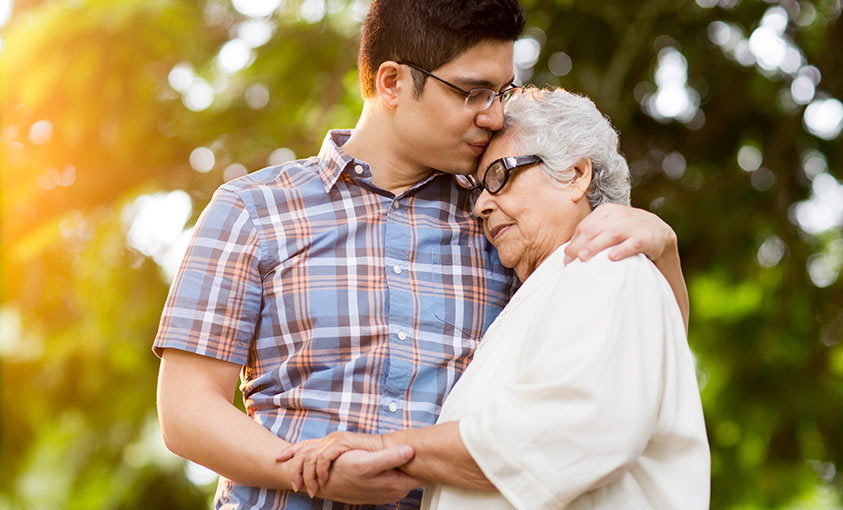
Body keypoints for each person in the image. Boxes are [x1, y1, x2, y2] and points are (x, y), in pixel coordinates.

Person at [153, 1, 690, 509]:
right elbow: (186, 408)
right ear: (392, 82)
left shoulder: (505, 216)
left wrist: (663, 252)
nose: (494, 116)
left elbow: (625, 362)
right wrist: (305, 469)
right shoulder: (253, 210)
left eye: (502, 92)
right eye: (474, 92)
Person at [278, 87, 710, 509]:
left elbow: (565, 436)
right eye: (477, 189)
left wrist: (386, 450)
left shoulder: (609, 268)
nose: (481, 205)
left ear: (576, 175)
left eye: (500, 176)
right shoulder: (551, 287)